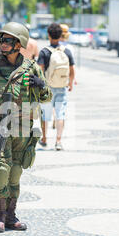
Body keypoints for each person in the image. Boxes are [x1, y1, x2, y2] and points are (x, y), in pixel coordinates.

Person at [0, 22, 52, 233]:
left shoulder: (31, 67)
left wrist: (41, 85)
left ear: (19, 44)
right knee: (1, 171)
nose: (3, 44)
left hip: (23, 128)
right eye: (2, 40)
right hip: (0, 127)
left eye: (8, 40)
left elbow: (47, 98)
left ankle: (11, 215)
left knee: (16, 171)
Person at [37, 23, 75, 151]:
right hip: (62, 87)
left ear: (48, 35)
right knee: (60, 114)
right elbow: (72, 69)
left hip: (48, 88)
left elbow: (40, 70)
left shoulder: (44, 52)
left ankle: (44, 139)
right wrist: (70, 83)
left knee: (45, 115)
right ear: (60, 36)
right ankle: (58, 141)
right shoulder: (67, 51)